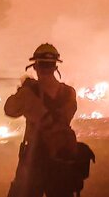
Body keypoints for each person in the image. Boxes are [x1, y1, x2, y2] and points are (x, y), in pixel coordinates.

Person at [5, 43, 78, 197]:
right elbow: (67, 116)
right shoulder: (69, 93)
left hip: (34, 157)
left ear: (36, 66)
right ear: (55, 67)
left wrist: (23, 89)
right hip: (61, 156)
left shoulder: (27, 93)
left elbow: (9, 110)